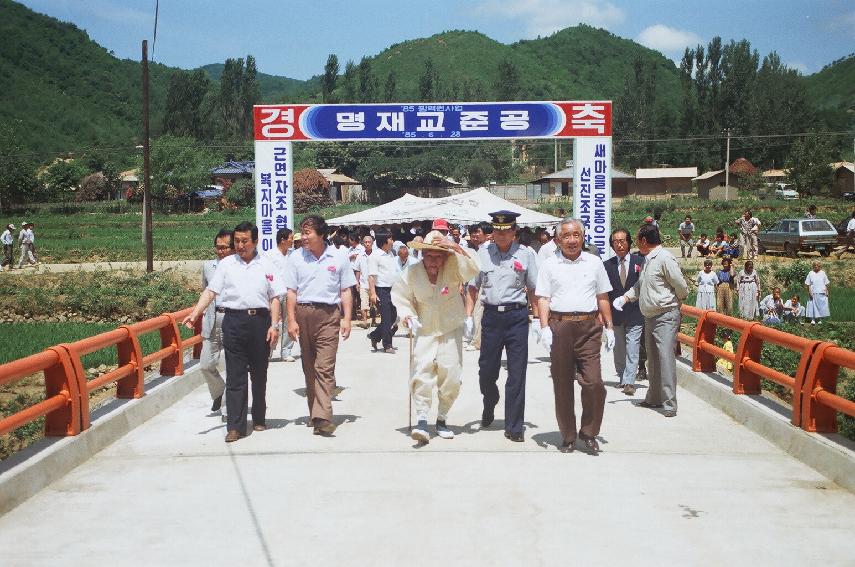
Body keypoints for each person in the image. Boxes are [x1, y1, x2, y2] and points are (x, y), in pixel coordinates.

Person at [182, 221, 283, 443]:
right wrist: (196, 313)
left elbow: (275, 297)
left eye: (244, 241)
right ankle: (235, 427)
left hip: (260, 322)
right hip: (233, 322)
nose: (240, 245)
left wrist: (274, 326)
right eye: (236, 241)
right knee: (235, 376)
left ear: (255, 241)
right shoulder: (227, 264)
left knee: (259, 374)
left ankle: (258, 417)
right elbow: (210, 291)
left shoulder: (266, 264)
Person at [392, 231, 480, 444]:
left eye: (438, 256)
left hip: (450, 329)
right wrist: (408, 316)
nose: (433, 261)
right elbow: (400, 296)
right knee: (421, 372)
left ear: (444, 256)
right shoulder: (412, 273)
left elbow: (473, 269)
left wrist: (455, 247)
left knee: (451, 375)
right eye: (429, 256)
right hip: (425, 329)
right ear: (422, 256)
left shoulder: (452, 267)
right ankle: (422, 420)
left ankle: (442, 418)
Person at [536, 218, 614, 453]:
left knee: (594, 383)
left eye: (576, 235)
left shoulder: (594, 262)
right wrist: (544, 327)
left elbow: (602, 296)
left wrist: (609, 327)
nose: (572, 240)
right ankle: (568, 436)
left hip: (589, 328)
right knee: (562, 385)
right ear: (558, 240)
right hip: (560, 327)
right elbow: (543, 298)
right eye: (566, 236)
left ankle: (589, 432)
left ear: (583, 237)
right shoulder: (549, 264)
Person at [466, 210, 538, 442]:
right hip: (491, 318)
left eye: (506, 231)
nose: (501, 235)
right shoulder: (483, 253)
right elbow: (473, 287)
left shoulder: (526, 254)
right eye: (497, 231)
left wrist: (537, 320)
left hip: (516, 317)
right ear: (492, 232)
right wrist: (468, 316)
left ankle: (514, 426)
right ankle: (490, 400)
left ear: (514, 232)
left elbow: (534, 289)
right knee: (486, 370)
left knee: (517, 373)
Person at [284, 215, 356, 436]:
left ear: (321, 235)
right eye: (302, 233)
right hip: (303, 314)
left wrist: (346, 318)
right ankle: (314, 414)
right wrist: (291, 320)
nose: (303, 237)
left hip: (329, 315)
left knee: (323, 367)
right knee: (309, 367)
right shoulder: (295, 258)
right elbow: (291, 292)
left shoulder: (339, 257)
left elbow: (346, 290)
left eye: (308, 233)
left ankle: (323, 417)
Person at [613, 224, 689, 418]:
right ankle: (654, 398)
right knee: (653, 360)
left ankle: (669, 403)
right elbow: (640, 286)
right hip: (650, 316)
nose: (636, 242)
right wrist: (625, 297)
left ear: (644, 241)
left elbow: (680, 285)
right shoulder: (648, 260)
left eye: (638, 239)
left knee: (665, 358)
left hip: (665, 315)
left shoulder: (664, 258)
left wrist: (677, 302)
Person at [603, 228, 644, 396]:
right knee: (618, 349)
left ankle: (629, 381)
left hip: (635, 313)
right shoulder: (607, 265)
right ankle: (622, 377)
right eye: (615, 242)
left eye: (622, 241)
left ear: (628, 242)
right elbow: (604, 293)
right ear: (612, 245)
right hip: (616, 315)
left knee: (633, 347)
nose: (619, 244)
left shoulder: (640, 262)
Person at [198, 229, 233, 417]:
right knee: (205, 364)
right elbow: (206, 291)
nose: (220, 251)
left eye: (224, 247)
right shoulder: (208, 266)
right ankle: (219, 392)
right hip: (212, 320)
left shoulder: (238, 266)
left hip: (232, 319)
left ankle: (228, 408)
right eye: (218, 247)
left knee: (231, 366)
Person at [264, 228, 298, 362]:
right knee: (273, 324)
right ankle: (268, 352)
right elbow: (266, 275)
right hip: (274, 295)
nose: (292, 240)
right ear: (283, 240)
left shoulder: (293, 255)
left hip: (290, 292)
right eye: (291, 238)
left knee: (289, 321)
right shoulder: (269, 255)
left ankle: (286, 352)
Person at [367, 228, 399, 353]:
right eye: (390, 238)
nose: (392, 241)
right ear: (384, 241)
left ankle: (375, 336)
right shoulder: (374, 256)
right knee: (386, 318)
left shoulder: (391, 254)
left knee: (393, 317)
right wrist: (373, 293)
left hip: (393, 289)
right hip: (381, 290)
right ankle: (387, 345)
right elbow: (371, 277)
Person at [354, 235, 375, 328]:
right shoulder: (360, 256)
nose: (367, 244)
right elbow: (357, 270)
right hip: (363, 283)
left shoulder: (376, 255)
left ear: (372, 243)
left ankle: (374, 320)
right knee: (364, 303)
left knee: (374, 304)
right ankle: (365, 321)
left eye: (369, 242)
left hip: (375, 284)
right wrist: (357, 282)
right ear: (363, 244)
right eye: (365, 242)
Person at [805, 261, 830, 325]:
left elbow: (826, 283)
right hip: (813, 292)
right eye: (815, 265)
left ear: (819, 266)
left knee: (821, 306)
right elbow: (808, 284)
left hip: (822, 292)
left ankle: (820, 319)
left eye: (817, 265)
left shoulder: (823, 273)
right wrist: (810, 292)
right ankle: (813, 319)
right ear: (813, 266)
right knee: (813, 306)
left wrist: (827, 291)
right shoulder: (810, 273)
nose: (816, 266)